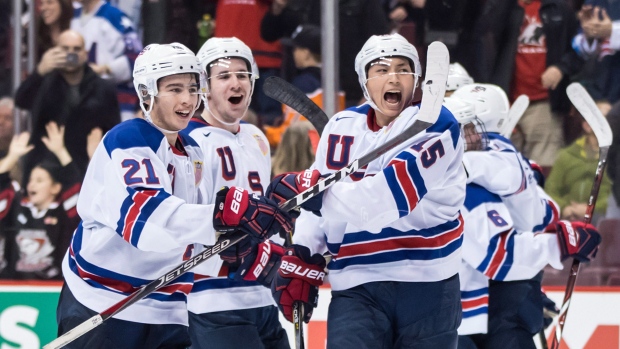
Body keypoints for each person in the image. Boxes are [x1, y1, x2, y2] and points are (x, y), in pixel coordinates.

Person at [54, 42, 293, 349]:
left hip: (168, 309)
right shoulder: (129, 139)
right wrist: (222, 214)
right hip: (102, 300)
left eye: (193, 88)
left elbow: (200, 240)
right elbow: (147, 222)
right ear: (145, 94)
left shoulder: (192, 151)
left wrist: (258, 260)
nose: (188, 99)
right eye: (175, 89)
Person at [265, 33, 466, 348]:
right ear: (364, 81)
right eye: (381, 70)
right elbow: (321, 209)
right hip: (357, 284)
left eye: (403, 68)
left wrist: (311, 190)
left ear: (417, 80)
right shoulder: (343, 126)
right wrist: (305, 253)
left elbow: (385, 203)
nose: (394, 77)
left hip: (428, 284)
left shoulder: (437, 124)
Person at [442, 96, 601, 349]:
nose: (477, 136)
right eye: (468, 129)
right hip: (453, 320)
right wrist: (559, 242)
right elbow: (498, 257)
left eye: (475, 127)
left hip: (485, 310)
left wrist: (530, 292)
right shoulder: (456, 187)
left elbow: (544, 216)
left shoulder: (496, 168)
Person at [181, 37, 289, 349]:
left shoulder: (257, 137)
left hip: (262, 298)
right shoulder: (189, 142)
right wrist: (234, 256)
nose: (236, 83)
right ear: (204, 86)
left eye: (243, 75)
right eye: (224, 76)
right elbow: (185, 221)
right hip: (214, 299)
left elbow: (261, 216)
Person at [14, 30, 121, 182]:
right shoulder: (44, 81)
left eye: (76, 49)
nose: (71, 54)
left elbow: (113, 130)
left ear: (85, 53)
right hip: (45, 168)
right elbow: (21, 101)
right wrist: (39, 72)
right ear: (55, 51)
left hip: (84, 167)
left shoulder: (103, 88)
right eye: (65, 49)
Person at [451, 83, 547, 232]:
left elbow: (499, 168)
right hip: (515, 234)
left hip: (524, 240)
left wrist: (449, 166)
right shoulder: (487, 145)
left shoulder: (496, 147)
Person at [260, 0, 390, 107]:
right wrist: (277, 9)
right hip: (299, 86)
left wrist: (372, 91)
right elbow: (269, 34)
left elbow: (381, 46)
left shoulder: (364, 3)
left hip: (350, 90)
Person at [0, 123, 81, 280]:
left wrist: (60, 151)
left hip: (52, 287)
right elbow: (1, 185)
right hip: (12, 286)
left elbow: (76, 187)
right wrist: (12, 156)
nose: (32, 185)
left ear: (55, 188)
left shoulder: (64, 213)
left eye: (39, 180)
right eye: (30, 180)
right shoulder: (17, 207)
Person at [71, 0, 143, 121]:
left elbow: (137, 57)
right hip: (85, 100)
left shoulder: (114, 16)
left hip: (118, 103)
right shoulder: (75, 17)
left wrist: (106, 69)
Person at [546, 116, 612, 224]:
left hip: (602, 218)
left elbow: (615, 196)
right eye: (603, 118)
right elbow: (551, 190)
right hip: (567, 216)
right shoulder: (566, 155)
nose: (608, 123)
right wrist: (564, 208)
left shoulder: (614, 158)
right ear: (587, 125)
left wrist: (591, 209)